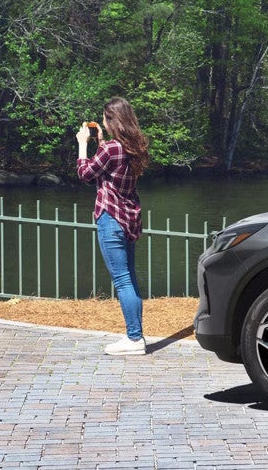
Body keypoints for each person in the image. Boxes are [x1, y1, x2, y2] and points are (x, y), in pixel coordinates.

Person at [77, 97, 151, 355]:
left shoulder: (111, 149)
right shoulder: (135, 147)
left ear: (112, 120)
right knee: (129, 278)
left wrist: (82, 145)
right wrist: (100, 143)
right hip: (129, 218)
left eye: (105, 119)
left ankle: (134, 339)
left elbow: (85, 174)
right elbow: (110, 171)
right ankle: (135, 335)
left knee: (121, 280)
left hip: (110, 218)